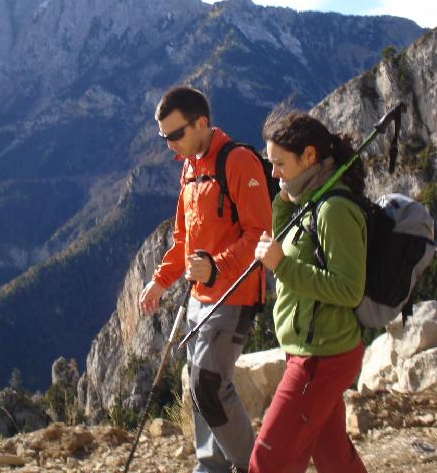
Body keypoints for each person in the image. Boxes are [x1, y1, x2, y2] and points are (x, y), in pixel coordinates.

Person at [139, 86, 272, 473]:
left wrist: (216, 266)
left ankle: (255, 467)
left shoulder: (238, 162)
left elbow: (260, 236)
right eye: (164, 137)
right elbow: (183, 236)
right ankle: (211, 464)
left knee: (209, 382)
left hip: (235, 293)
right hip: (200, 296)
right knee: (200, 383)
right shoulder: (190, 165)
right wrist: (162, 280)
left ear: (202, 123)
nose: (169, 145)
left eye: (175, 135)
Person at [249, 106, 368, 473]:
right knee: (332, 455)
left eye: (280, 164)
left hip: (322, 356)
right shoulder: (310, 199)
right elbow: (289, 242)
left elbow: (349, 289)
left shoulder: (334, 209)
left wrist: (281, 266)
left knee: (268, 458)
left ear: (310, 156)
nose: (273, 173)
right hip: (308, 348)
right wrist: (284, 202)